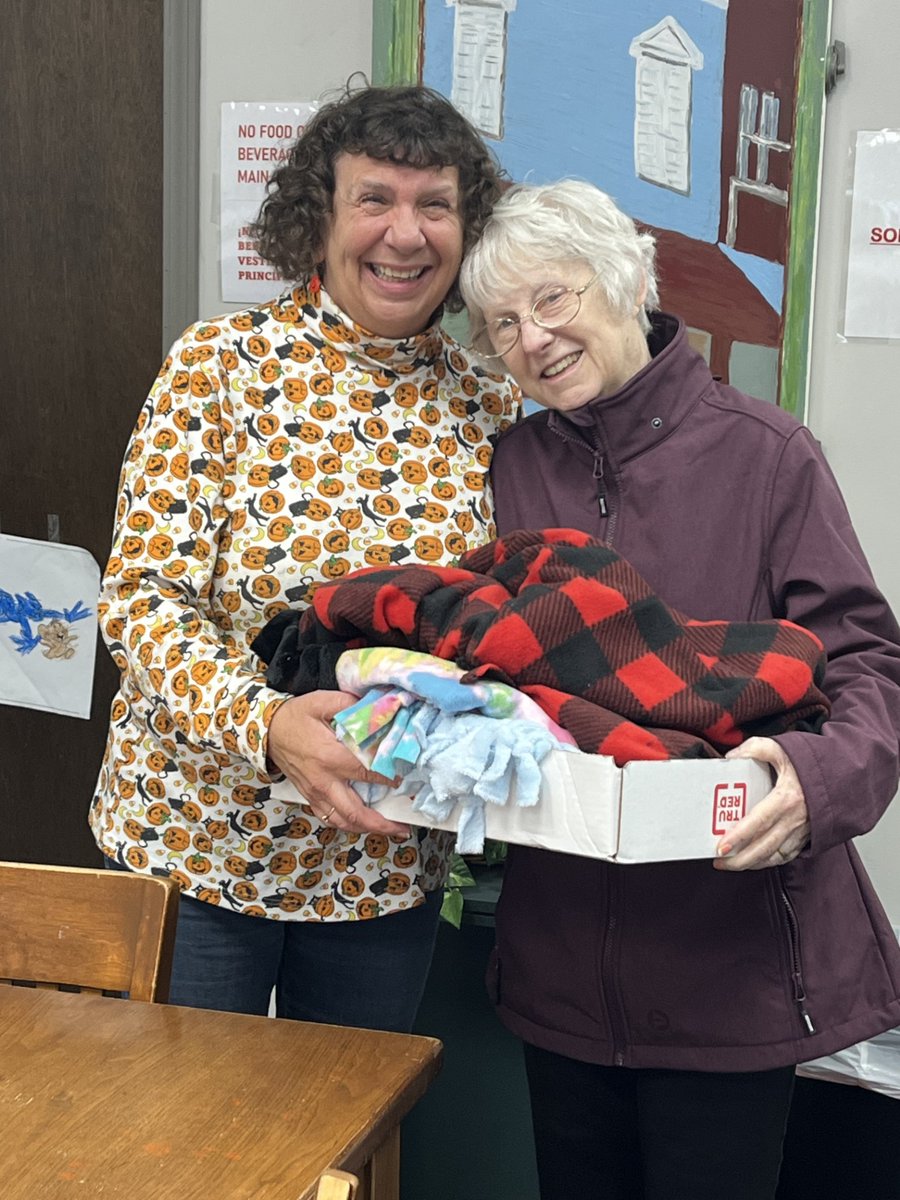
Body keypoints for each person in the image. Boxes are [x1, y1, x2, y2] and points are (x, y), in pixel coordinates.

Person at [458, 179, 900, 1199]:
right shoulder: (506, 468)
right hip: (560, 965)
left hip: (731, 970)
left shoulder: (770, 458)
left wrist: (814, 776)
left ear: (623, 279)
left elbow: (870, 663)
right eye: (504, 325)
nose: (533, 339)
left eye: (552, 300)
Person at [91, 83, 519, 1030]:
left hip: (383, 864)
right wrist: (270, 721)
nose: (405, 235)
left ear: (468, 229)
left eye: (435, 204)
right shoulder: (219, 366)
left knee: (347, 1149)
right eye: (375, 198)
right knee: (181, 1157)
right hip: (198, 843)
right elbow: (140, 600)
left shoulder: (491, 409)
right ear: (318, 215)